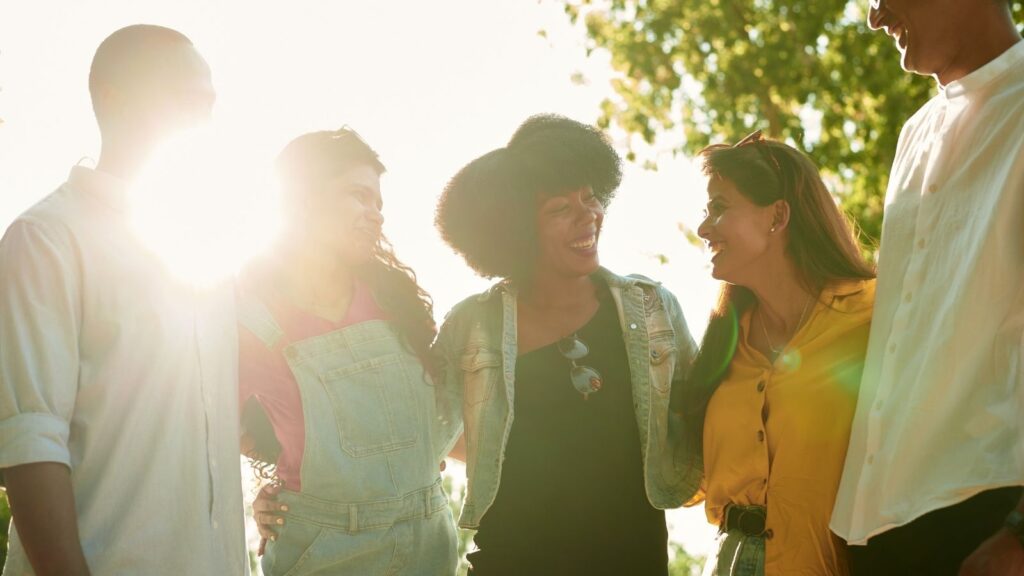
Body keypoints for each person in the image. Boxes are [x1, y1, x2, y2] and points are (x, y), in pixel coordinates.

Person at [0, 25, 247, 575]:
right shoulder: (46, 238)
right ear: (113, 99)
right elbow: (30, 440)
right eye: (183, 98)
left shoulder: (209, 245)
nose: (202, 118)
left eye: (207, 102)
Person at [432, 114, 701, 575]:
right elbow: (417, 435)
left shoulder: (651, 307)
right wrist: (286, 481)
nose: (588, 216)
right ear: (516, 230)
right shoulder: (471, 325)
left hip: (634, 562)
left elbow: (706, 415)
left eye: (590, 197)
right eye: (561, 209)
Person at [830, 2, 1024, 575]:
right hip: (879, 533)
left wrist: (1019, 536)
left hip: (992, 519)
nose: (875, 16)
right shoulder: (913, 135)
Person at [238, 128, 459, 576]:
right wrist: (271, 487)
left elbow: (434, 431)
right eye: (359, 196)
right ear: (303, 200)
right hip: (322, 552)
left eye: (379, 203)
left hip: (429, 545)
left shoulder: (399, 307)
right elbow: (208, 438)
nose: (376, 215)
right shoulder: (249, 322)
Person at [684, 131, 875, 575]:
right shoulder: (721, 346)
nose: (703, 227)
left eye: (719, 206)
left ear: (777, 216)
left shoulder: (875, 315)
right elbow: (681, 478)